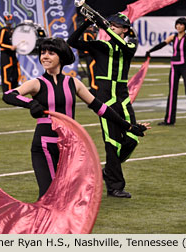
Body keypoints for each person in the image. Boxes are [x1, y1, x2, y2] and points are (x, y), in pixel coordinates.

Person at [3, 37, 149, 199]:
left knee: (69, 196)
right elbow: (9, 95)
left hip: (69, 146)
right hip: (44, 147)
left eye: (51, 53)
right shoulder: (37, 83)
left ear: (61, 57)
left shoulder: (73, 83)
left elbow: (101, 109)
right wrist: (30, 104)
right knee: (48, 196)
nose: (45, 56)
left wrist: (128, 126)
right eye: (42, 52)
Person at [67, 13, 141, 198]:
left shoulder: (130, 45)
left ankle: (108, 171)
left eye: (118, 25)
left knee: (133, 136)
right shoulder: (100, 46)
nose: (113, 26)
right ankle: (115, 186)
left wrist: (104, 25)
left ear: (125, 29)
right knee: (112, 141)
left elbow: (122, 45)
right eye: (112, 24)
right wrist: (86, 23)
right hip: (105, 96)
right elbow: (72, 41)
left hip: (122, 96)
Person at [0, 14, 21, 93]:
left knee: (16, 73)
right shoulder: (3, 30)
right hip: (6, 55)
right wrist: (9, 47)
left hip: (13, 55)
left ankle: (14, 90)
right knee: (6, 73)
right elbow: (0, 43)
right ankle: (7, 92)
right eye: (8, 20)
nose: (9, 22)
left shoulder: (14, 30)